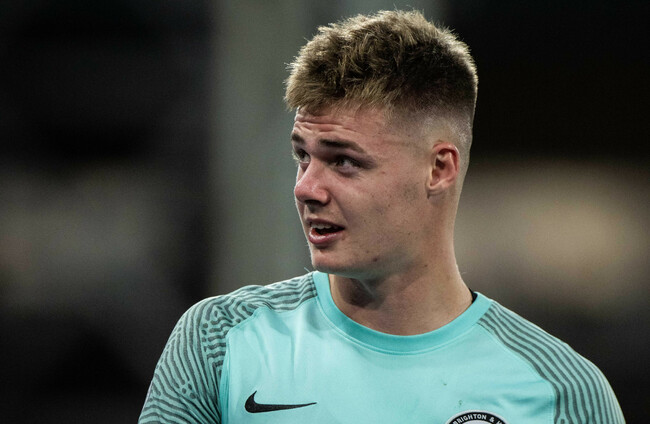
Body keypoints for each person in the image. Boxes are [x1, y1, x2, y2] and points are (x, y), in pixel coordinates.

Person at [139, 10, 624, 424]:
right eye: (302, 156)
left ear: (439, 169)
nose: (306, 188)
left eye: (343, 161)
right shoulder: (219, 341)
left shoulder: (560, 393)